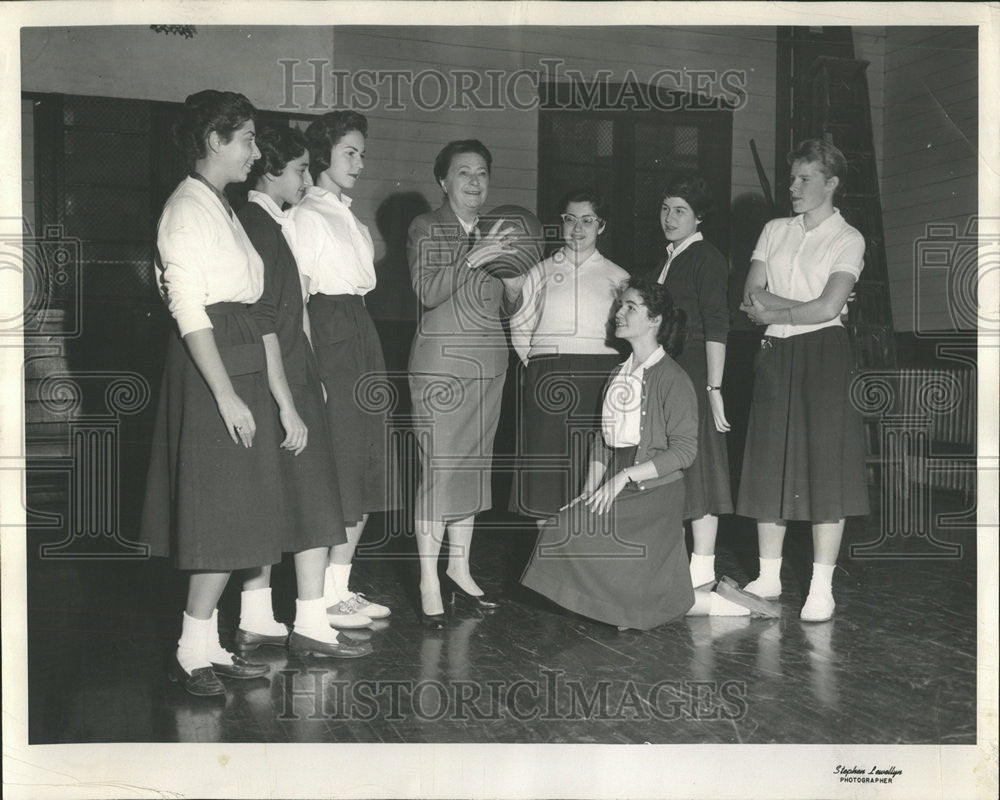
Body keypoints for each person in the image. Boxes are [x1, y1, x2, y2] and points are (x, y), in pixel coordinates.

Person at [521, 277, 779, 631]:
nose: (619, 314)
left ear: (654, 320)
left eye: (631, 307)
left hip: (654, 492)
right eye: (619, 306)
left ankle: (726, 604)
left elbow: (685, 451)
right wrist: (587, 491)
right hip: (619, 479)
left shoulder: (674, 378)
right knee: (563, 529)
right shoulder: (618, 373)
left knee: (570, 538)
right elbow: (603, 439)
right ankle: (719, 601)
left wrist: (625, 476)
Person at [140, 90, 278, 695]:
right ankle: (189, 649)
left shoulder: (219, 205)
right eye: (246, 138)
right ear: (215, 141)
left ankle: (208, 643)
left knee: (238, 514)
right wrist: (225, 394)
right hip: (212, 365)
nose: (254, 150)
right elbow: (190, 311)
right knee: (217, 513)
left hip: (239, 353)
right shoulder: (186, 210)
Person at [234, 124, 370, 658]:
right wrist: (291, 398)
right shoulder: (264, 226)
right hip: (285, 374)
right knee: (313, 499)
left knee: (276, 497)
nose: (305, 178)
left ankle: (257, 618)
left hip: (291, 370)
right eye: (298, 169)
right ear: (273, 170)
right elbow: (267, 322)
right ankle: (312, 624)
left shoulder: (264, 221)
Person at [738, 139, 870, 623]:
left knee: (823, 467)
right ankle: (769, 576)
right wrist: (793, 310)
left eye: (804, 179)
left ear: (831, 183)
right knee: (770, 461)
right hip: (776, 352)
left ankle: (821, 588)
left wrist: (780, 308)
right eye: (791, 178)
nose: (792, 187)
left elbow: (829, 308)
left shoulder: (848, 238)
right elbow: (751, 299)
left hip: (824, 356)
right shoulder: (774, 230)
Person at [407, 140, 522, 628]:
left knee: (473, 471)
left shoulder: (500, 229)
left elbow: (509, 307)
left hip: (489, 365)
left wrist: (516, 287)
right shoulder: (425, 227)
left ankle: (459, 567)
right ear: (443, 181)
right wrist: (476, 255)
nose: (474, 181)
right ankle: (428, 580)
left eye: (481, 172)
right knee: (439, 473)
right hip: (440, 367)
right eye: (463, 173)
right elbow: (428, 291)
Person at [291, 110, 396, 629]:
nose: (359, 161)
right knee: (336, 466)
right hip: (329, 336)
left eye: (362, 153)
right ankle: (323, 596)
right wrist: (312, 373)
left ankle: (339, 587)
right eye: (349, 152)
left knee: (363, 463)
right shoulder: (307, 216)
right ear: (323, 154)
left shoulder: (348, 217)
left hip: (359, 332)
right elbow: (299, 300)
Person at [509, 189, 628, 525]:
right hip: (548, 378)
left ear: (601, 226)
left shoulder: (619, 278)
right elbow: (520, 327)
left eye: (587, 220)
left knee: (591, 472)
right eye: (570, 219)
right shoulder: (540, 272)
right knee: (546, 476)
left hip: (601, 380)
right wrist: (540, 367)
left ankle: (582, 566)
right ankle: (545, 563)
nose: (578, 228)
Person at [652, 174, 733, 590]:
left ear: (698, 217)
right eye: (665, 208)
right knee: (673, 463)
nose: (669, 217)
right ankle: (677, 563)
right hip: (670, 368)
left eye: (680, 210)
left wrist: (714, 389)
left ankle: (702, 568)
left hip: (697, 369)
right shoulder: (669, 257)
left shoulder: (707, 258)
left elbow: (718, 323)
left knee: (699, 463)